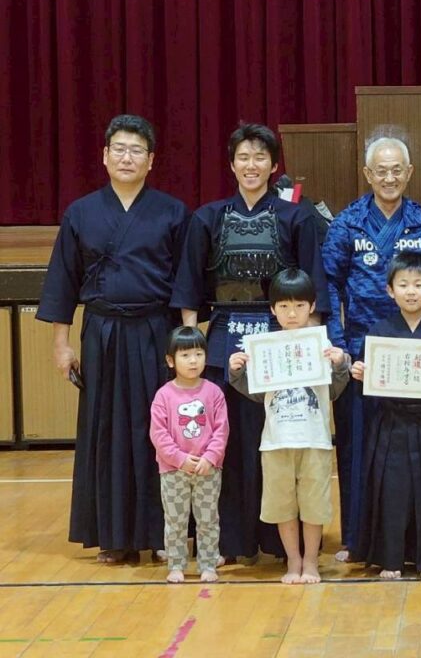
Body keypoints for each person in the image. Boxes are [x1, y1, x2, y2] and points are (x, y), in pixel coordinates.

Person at [171, 122, 330, 561]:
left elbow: (312, 287)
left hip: (283, 342)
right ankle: (231, 540)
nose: (252, 165)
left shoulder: (298, 218)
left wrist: (309, 347)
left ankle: (282, 543)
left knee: (280, 439)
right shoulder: (208, 217)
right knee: (229, 441)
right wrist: (193, 348)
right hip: (225, 338)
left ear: (274, 165)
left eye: (261, 157)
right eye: (244, 157)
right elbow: (188, 288)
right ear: (232, 164)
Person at [38, 114, 190, 563]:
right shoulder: (81, 212)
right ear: (105, 156)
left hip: (155, 332)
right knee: (105, 431)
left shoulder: (171, 211)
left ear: (151, 161)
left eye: (136, 150)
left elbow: (184, 281)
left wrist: (183, 340)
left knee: (160, 431)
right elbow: (63, 282)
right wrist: (62, 344)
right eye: (119, 149)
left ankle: (163, 532)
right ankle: (114, 536)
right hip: (102, 332)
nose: (127, 157)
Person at [322, 129, 421, 559]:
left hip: (417, 353)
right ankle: (357, 537)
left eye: (397, 170)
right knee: (359, 445)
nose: (389, 177)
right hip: (365, 353)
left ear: (410, 173)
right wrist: (340, 345)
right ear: (367, 173)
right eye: (381, 170)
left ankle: (417, 540)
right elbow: (329, 283)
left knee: (411, 451)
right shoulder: (347, 223)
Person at [228, 269, 351, 584]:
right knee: (282, 505)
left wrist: (340, 365)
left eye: (299, 305)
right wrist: (237, 372)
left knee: (313, 506)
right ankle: (292, 562)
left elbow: (336, 391)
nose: (291, 313)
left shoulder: (322, 345)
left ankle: (311, 561)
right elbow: (256, 395)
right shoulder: (264, 348)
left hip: (315, 441)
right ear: (272, 309)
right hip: (276, 441)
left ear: (312, 306)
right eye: (283, 306)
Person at [348, 252, 421, 580]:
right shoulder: (379, 332)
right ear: (389, 290)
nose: (410, 291)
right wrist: (360, 374)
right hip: (391, 424)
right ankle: (391, 558)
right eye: (403, 284)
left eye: (418, 284)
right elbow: (366, 388)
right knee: (392, 491)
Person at [149, 326, 229, 583]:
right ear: (170, 361)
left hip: (208, 469)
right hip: (173, 471)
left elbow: (221, 430)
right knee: (175, 520)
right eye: (185, 355)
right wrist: (180, 459)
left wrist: (210, 458)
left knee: (208, 519)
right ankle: (176, 564)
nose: (193, 361)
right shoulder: (164, 395)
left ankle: (208, 563)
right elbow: (159, 435)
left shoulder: (214, 392)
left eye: (198, 353)